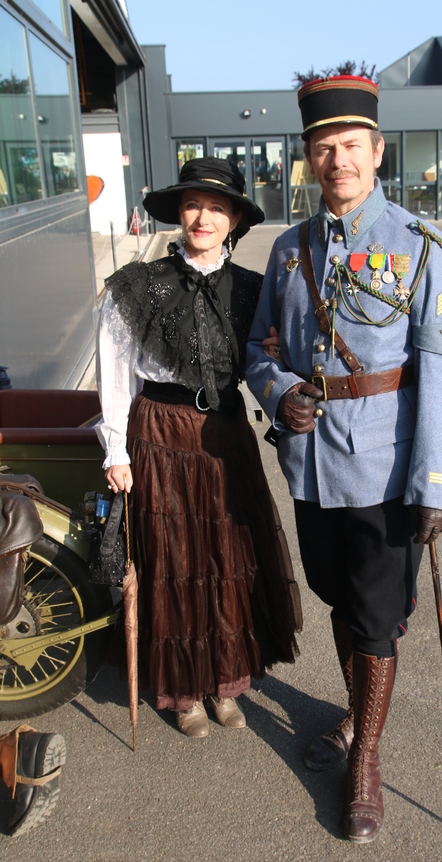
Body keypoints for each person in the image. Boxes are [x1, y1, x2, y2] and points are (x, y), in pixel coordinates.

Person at [246, 76, 442, 843]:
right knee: (338, 598)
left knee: (374, 620)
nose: (337, 160)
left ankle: (364, 757)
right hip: (310, 466)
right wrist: (278, 391)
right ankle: (353, 712)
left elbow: (439, 366)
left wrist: (436, 478)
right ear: (309, 160)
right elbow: (260, 347)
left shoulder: (420, 246)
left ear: (376, 151)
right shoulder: (286, 250)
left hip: (385, 469)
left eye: (349, 146)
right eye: (322, 149)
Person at [96, 158, 302, 738]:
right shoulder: (137, 286)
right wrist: (117, 450)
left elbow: (273, 358)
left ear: (235, 217)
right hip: (159, 434)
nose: (202, 216)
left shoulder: (255, 290)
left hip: (226, 435)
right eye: (193, 204)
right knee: (176, 559)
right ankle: (183, 691)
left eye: (216, 206)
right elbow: (115, 373)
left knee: (227, 557)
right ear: (178, 212)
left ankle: (225, 680)